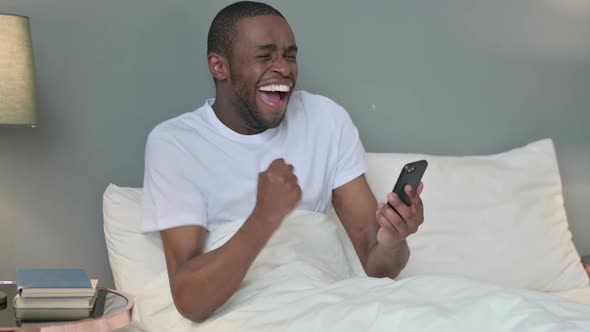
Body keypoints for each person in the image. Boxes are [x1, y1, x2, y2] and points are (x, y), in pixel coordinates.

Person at [141, 1, 425, 323]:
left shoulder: (325, 119)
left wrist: (394, 240)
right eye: (265, 56)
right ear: (219, 67)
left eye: (290, 55)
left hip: (331, 303)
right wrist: (265, 217)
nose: (285, 68)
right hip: (244, 315)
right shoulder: (176, 143)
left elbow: (379, 265)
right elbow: (190, 301)